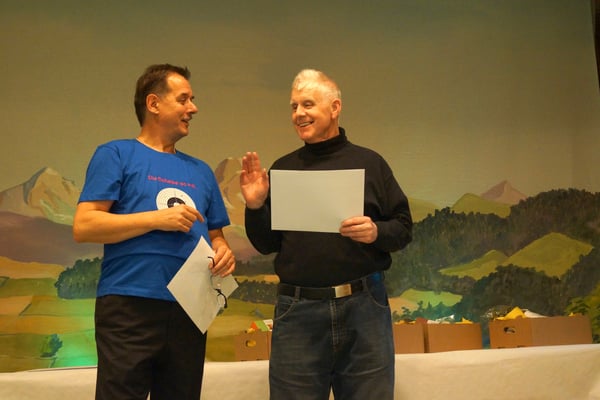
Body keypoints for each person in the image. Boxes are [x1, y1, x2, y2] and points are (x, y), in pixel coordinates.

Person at [240, 69, 413, 399]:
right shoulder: (283, 169)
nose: (298, 114)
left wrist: (375, 231)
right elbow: (266, 244)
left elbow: (403, 228)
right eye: (293, 106)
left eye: (307, 104)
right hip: (298, 312)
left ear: (335, 108)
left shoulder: (371, 163)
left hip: (364, 308)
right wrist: (255, 206)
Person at [73, 63, 235, 400]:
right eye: (184, 99)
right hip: (129, 305)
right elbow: (85, 225)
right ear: (153, 103)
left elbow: (217, 237)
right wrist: (156, 219)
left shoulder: (202, 171)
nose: (193, 108)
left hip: (191, 308)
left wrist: (223, 251)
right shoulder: (116, 154)